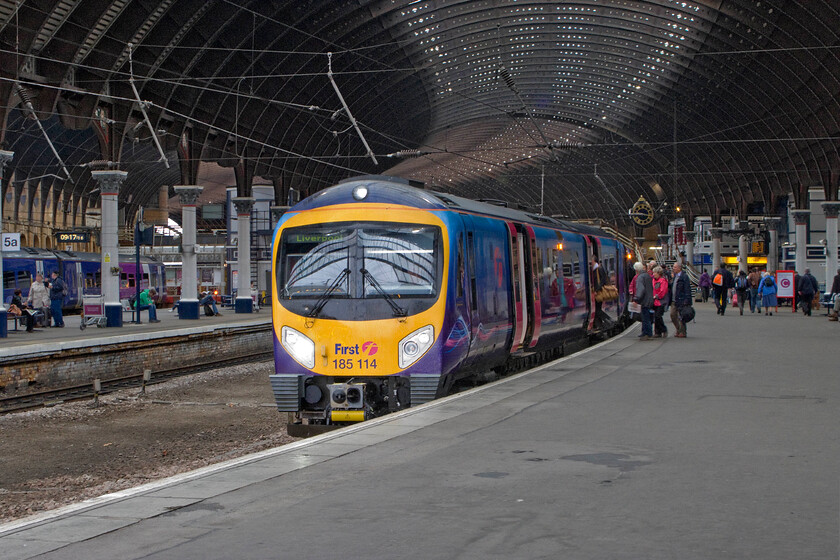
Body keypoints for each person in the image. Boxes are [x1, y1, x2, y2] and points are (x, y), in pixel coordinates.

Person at [670, 262, 693, 338]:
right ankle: (678, 329)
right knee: (673, 315)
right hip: (674, 299)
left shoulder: (684, 276)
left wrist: (687, 299)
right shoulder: (675, 276)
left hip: (681, 299)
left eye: (675, 267)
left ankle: (683, 332)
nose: (673, 268)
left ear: (679, 268)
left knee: (681, 316)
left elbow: (687, 289)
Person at [633, 262, 654, 341]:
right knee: (647, 317)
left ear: (636, 270)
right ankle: (646, 332)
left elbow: (640, 289)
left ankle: (647, 333)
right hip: (649, 299)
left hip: (644, 300)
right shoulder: (647, 275)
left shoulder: (640, 277)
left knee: (645, 318)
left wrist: (636, 299)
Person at [652, 265, 669, 338]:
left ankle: (663, 329)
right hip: (654, 301)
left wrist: (657, 296)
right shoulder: (653, 280)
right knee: (656, 317)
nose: (653, 274)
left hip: (661, 302)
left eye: (655, 273)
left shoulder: (663, 281)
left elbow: (663, 291)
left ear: (659, 273)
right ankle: (657, 332)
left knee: (658, 316)